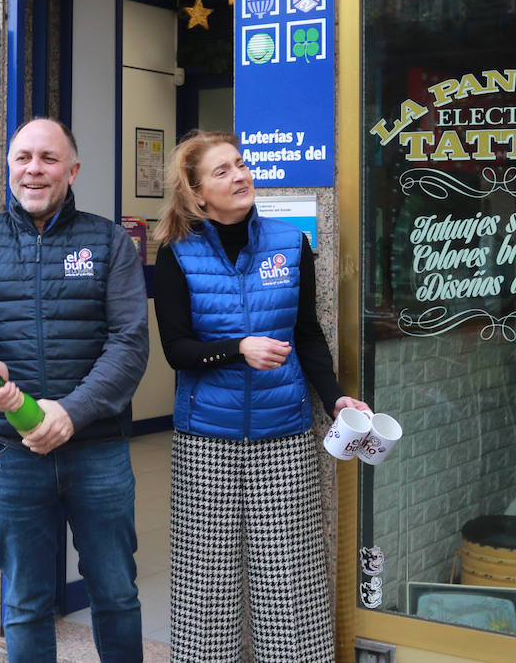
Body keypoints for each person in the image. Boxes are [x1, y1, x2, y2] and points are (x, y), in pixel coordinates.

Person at [0, 117, 149, 663]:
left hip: (97, 450)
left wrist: (70, 413)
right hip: (10, 452)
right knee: (25, 601)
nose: (34, 168)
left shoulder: (109, 242)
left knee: (116, 592)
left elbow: (129, 342)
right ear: (8, 168)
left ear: (72, 170)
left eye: (49, 158)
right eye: (23, 157)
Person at [151, 130, 369, 662]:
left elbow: (307, 336)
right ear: (197, 192)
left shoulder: (291, 243)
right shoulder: (175, 255)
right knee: (207, 588)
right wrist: (237, 349)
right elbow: (177, 350)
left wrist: (336, 398)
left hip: (283, 436)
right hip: (206, 440)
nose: (240, 175)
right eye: (222, 171)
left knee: (290, 584)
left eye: (241, 165)